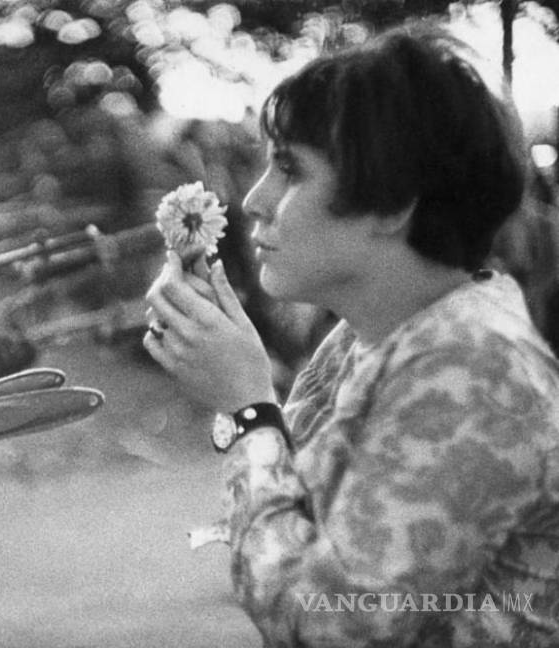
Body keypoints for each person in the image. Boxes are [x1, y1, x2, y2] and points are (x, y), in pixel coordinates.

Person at [143, 25, 559, 647]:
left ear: (394, 203)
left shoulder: (475, 366)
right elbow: (301, 525)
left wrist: (247, 410)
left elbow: (331, 624)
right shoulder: (372, 337)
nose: (256, 200)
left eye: (290, 169)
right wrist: (235, 373)